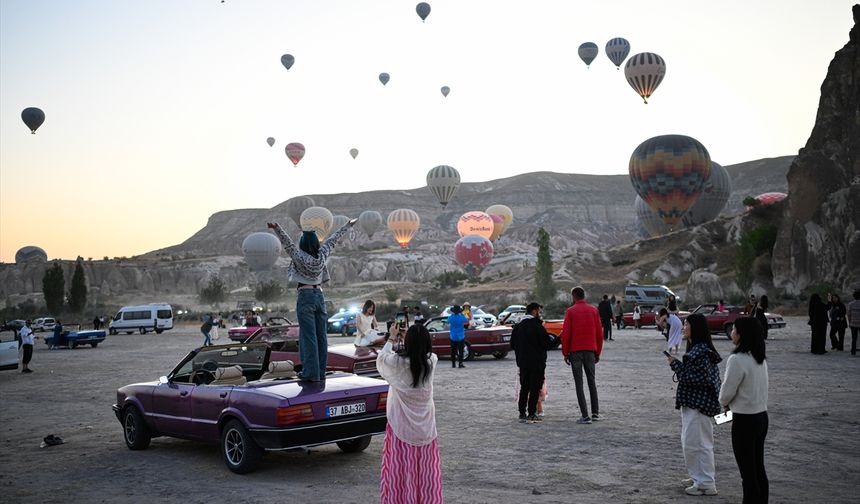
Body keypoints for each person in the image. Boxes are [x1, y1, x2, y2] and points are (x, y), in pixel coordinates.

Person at [269, 218, 356, 382]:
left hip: (305, 295)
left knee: (308, 337)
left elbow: (287, 243)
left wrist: (277, 227)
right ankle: (321, 372)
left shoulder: (299, 256)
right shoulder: (322, 254)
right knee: (321, 336)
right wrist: (348, 225)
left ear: (302, 243)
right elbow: (333, 239)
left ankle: (311, 373)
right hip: (319, 296)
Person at [376, 324, 442, 503]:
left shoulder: (396, 363)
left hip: (401, 429)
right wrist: (407, 339)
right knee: (425, 474)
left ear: (408, 342)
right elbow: (416, 357)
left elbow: (382, 360)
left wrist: (392, 337)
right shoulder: (432, 361)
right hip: (426, 429)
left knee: (402, 473)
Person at [666, 313, 722, 496]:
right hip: (694, 404)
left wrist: (676, 366)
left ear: (695, 328)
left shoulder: (702, 352)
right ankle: (697, 476)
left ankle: (705, 482)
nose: (683, 327)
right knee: (690, 442)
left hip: (699, 406)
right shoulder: (700, 350)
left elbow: (697, 378)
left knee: (700, 444)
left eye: (686, 324)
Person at [719, 317, 769, 504]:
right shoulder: (759, 358)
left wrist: (723, 403)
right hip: (761, 417)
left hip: (743, 420)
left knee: (747, 474)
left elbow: (725, 394)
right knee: (758, 469)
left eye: (734, 330)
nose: (731, 332)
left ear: (741, 334)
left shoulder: (737, 359)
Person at [559, 286, 603, 424]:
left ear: (573, 296)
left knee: (579, 383)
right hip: (590, 350)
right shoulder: (594, 310)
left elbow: (566, 334)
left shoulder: (570, 311)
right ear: (584, 296)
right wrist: (598, 352)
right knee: (592, 382)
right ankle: (595, 413)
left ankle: (585, 416)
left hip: (575, 352)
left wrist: (565, 353)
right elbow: (599, 334)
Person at [510, 302, 555, 423]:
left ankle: (521, 412)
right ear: (534, 311)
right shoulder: (537, 326)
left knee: (524, 388)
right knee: (534, 388)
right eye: (539, 312)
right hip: (536, 363)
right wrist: (559, 339)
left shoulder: (518, 327)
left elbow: (512, 344)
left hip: (523, 363)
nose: (540, 315)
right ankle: (531, 413)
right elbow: (547, 345)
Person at [848, 290, 860, 356]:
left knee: (854, 338)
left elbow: (849, 314)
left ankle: (853, 351)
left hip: (853, 323)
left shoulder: (850, 304)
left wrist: (849, 322)